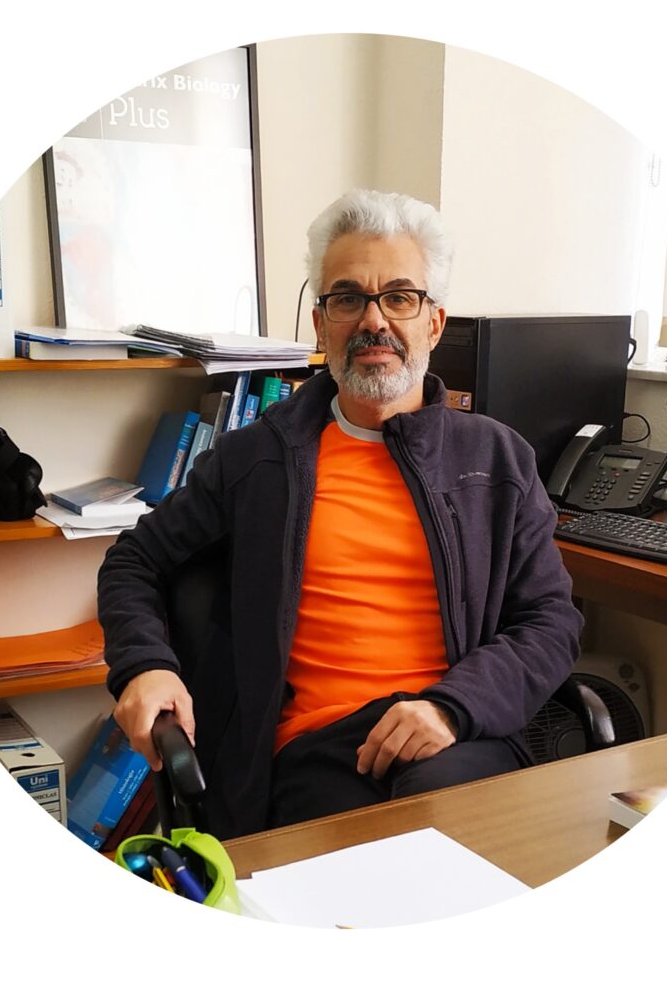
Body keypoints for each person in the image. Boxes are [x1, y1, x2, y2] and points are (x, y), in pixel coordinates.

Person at [98, 189, 583, 839]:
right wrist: (145, 665)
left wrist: (452, 707)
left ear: (434, 324)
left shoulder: (496, 461)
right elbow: (134, 561)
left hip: (457, 735)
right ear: (321, 324)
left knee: (450, 837)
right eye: (348, 298)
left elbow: (551, 621)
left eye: (400, 297)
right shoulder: (257, 459)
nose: (373, 321)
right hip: (318, 753)